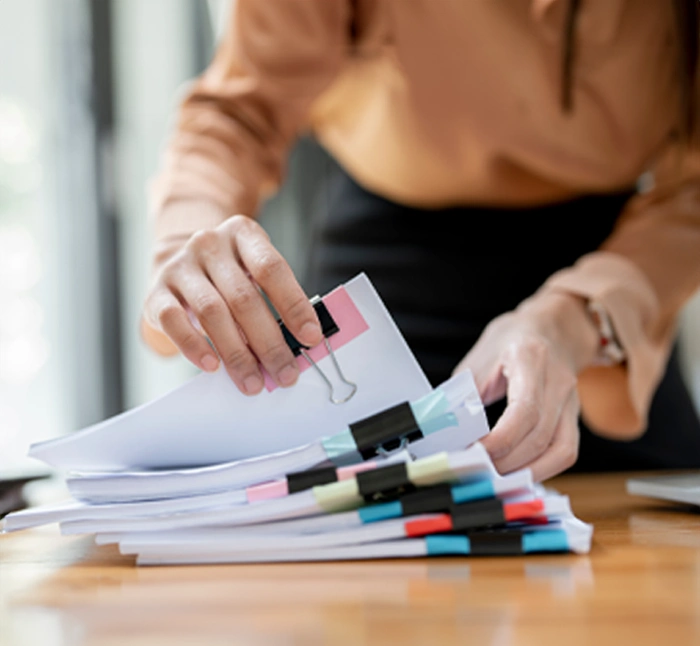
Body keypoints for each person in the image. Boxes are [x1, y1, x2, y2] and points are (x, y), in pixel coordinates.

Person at [141, 0, 700, 481]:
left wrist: (579, 321)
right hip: (385, 278)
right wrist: (187, 243)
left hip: (611, 288)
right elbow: (241, 109)